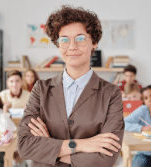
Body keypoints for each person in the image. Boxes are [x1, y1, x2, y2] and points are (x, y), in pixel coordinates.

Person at [17, 5, 124, 167]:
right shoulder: (41, 89)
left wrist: (49, 148)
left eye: (80, 38)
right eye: (64, 40)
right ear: (58, 44)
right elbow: (25, 146)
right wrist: (81, 145)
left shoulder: (111, 93)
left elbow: (106, 158)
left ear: (94, 43)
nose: (72, 46)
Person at [0, 70, 30, 167]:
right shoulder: (2, 95)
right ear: (7, 83)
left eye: (17, 81)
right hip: (6, 130)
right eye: (11, 81)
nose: (14, 84)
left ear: (21, 82)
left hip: (24, 130)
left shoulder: (29, 95)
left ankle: (19, 161)